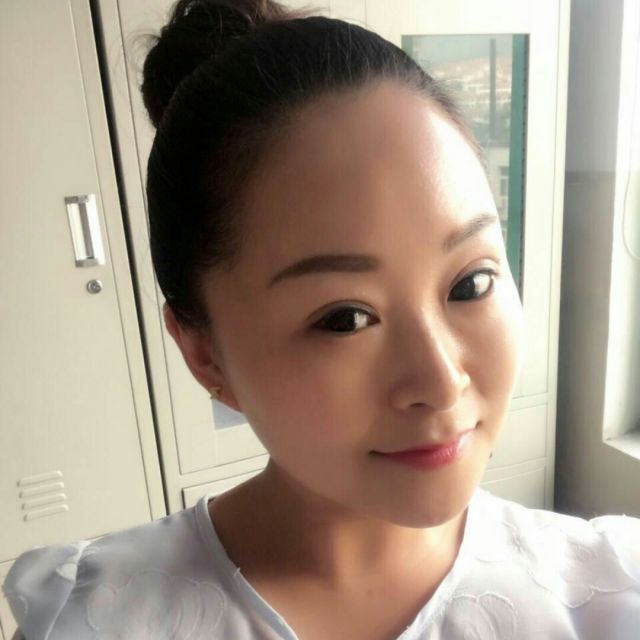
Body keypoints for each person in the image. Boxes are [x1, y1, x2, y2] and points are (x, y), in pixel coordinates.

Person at [3, 1, 640, 638]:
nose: (441, 382)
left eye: (470, 283)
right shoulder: (93, 620)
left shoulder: (607, 596)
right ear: (205, 354)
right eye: (345, 319)